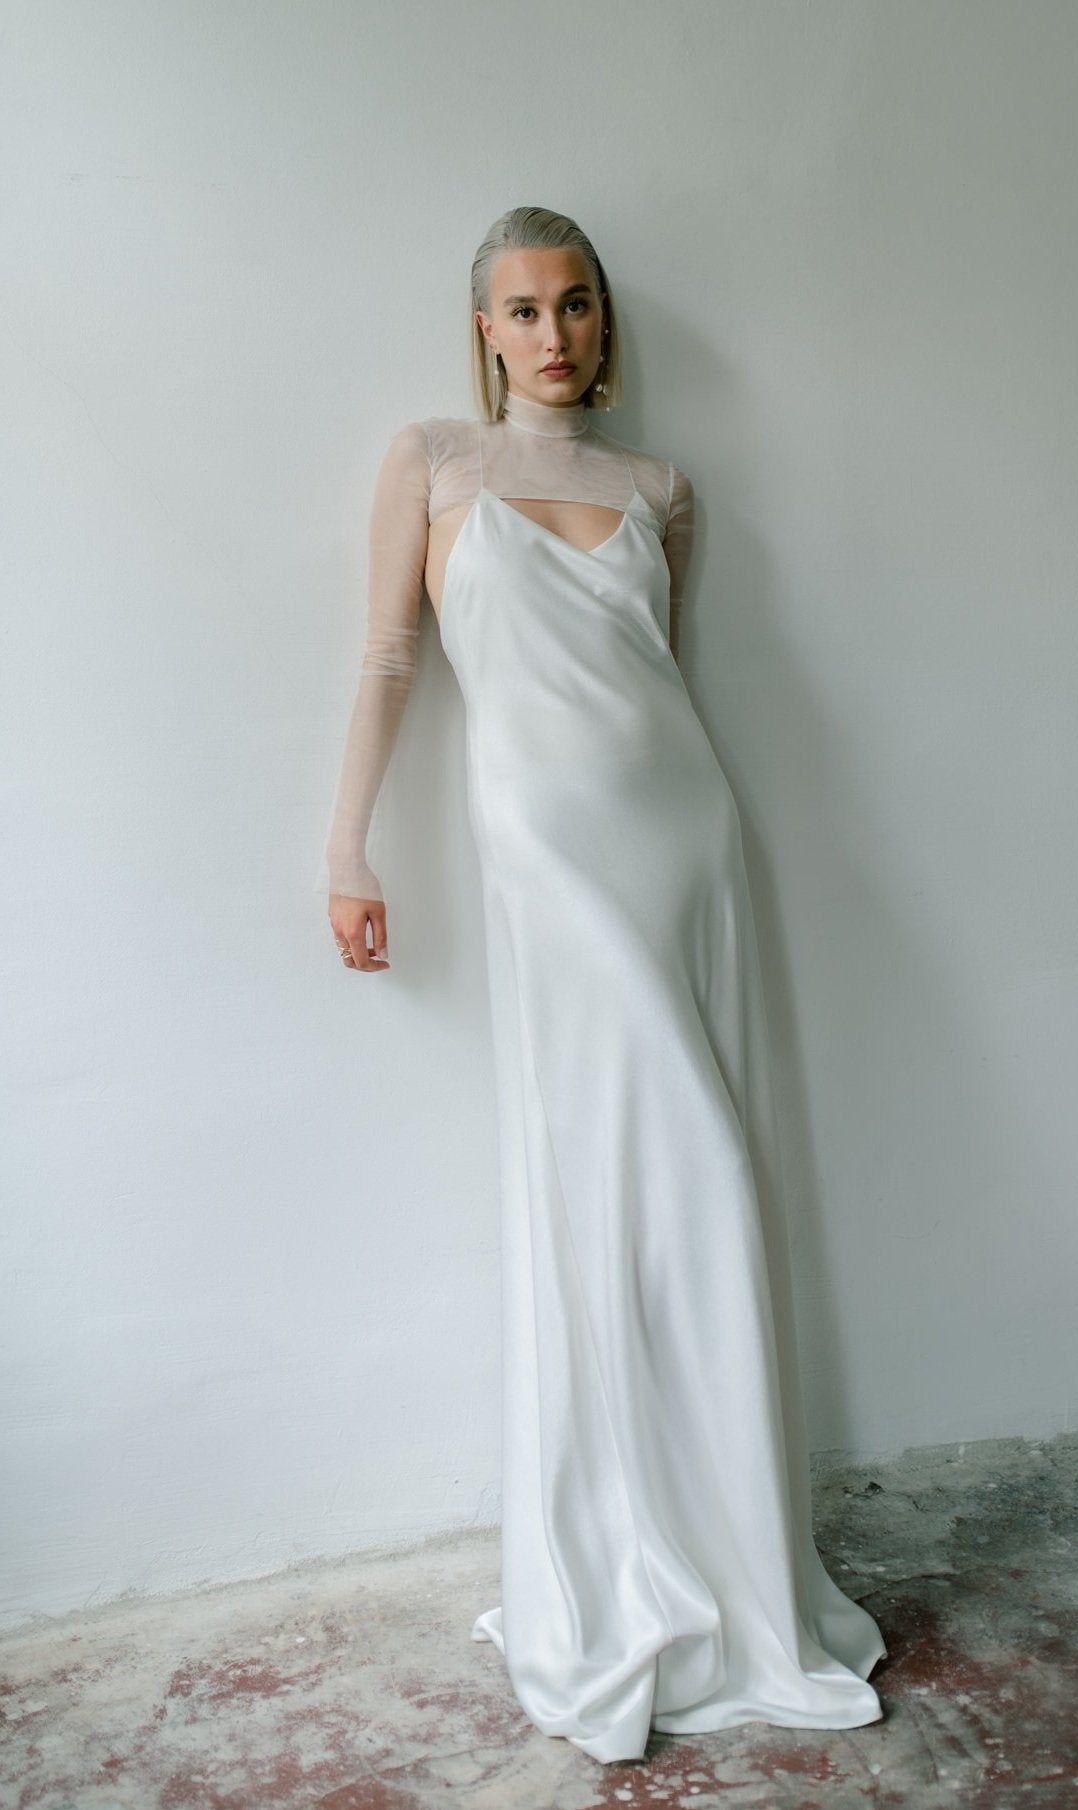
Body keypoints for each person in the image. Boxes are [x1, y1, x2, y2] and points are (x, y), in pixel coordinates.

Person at [320, 205, 887, 1763]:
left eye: (575, 304)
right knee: (620, 1182)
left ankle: (734, 1568)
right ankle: (623, 1560)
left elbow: (658, 676)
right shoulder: (434, 461)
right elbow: (390, 659)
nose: (553, 333)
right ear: (484, 331)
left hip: (684, 840)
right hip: (542, 850)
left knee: (706, 1184)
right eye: (522, 309)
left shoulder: (661, 488)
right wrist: (348, 850)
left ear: (601, 322)